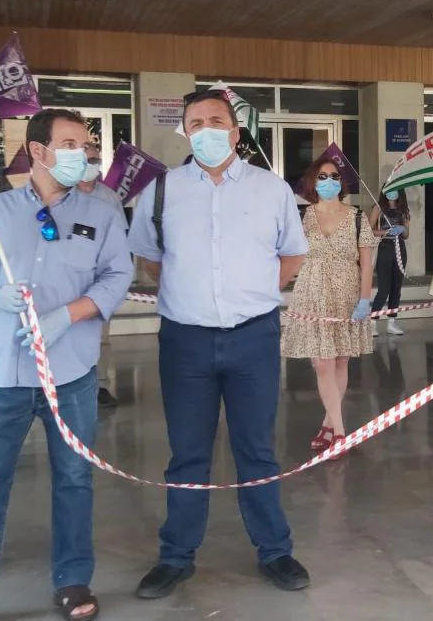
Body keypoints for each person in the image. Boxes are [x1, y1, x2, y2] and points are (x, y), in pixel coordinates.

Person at [0, 108, 134, 621]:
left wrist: (68, 315)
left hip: (71, 374)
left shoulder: (103, 215)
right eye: (70, 143)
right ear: (39, 151)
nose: (82, 155)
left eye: (86, 145)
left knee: (74, 479)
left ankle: (71, 580)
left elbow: (116, 278)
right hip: (4, 373)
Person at [128, 89, 311, 600]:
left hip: (253, 336)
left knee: (256, 449)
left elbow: (292, 255)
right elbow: (150, 259)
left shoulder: (270, 189)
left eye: (216, 121)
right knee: (187, 454)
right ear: (184, 131)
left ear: (235, 131)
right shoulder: (161, 191)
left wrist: (249, 290)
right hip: (185, 340)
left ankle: (274, 550)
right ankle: (176, 556)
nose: (206, 129)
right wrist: (196, 294)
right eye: (195, 122)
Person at [284, 158, 378, 453]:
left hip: (346, 293)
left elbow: (366, 263)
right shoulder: (302, 216)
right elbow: (290, 254)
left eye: (333, 176)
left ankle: (328, 423)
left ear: (342, 180)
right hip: (311, 293)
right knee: (321, 363)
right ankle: (339, 433)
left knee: (339, 361)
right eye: (322, 176)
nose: (328, 181)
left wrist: (365, 298)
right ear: (313, 181)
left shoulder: (357, 216)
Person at [77, 141, 124, 409]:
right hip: (70, 282)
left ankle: (99, 386)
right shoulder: (62, 195)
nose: (91, 166)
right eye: (86, 160)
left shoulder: (109, 198)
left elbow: (120, 242)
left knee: (100, 338)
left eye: (95, 160)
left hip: (101, 283)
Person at [370, 189, 410, 336]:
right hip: (385, 249)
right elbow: (369, 229)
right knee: (384, 288)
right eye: (389, 189)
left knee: (396, 288)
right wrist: (386, 232)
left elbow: (406, 235)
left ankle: (392, 322)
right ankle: (373, 322)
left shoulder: (403, 210)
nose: (392, 192)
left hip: (400, 249)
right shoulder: (378, 208)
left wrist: (403, 228)